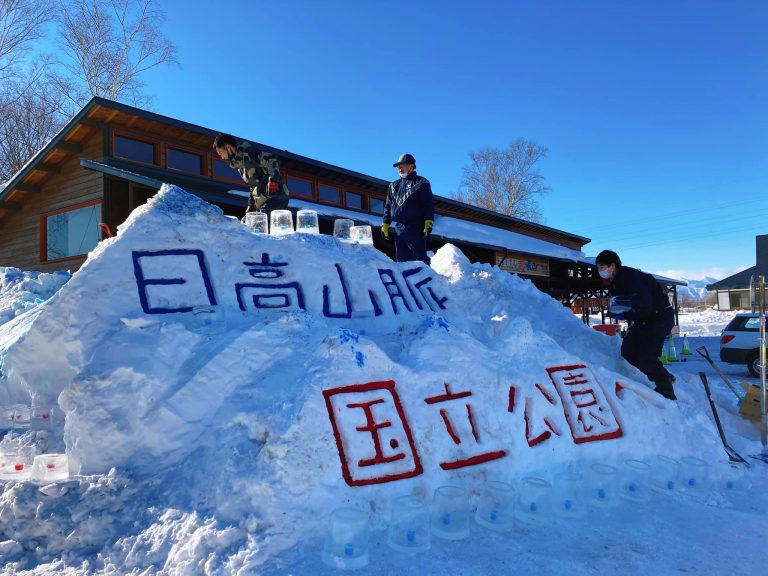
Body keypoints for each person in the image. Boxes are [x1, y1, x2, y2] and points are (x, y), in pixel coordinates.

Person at [596, 249, 677, 400]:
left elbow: (644, 305)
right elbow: (625, 302)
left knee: (647, 356)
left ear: (612, 266)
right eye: (598, 267)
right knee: (628, 351)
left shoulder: (630, 278)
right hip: (643, 319)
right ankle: (661, 374)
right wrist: (617, 311)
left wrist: (625, 314)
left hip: (658, 317)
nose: (600, 271)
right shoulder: (614, 281)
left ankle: (665, 388)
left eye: (602, 267)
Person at [212, 133, 289, 217]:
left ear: (227, 147)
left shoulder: (249, 152)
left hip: (275, 196)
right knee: (250, 222)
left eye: (220, 153)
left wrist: (273, 180)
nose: (222, 157)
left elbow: (271, 160)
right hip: (262, 199)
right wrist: (251, 204)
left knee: (262, 222)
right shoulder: (240, 165)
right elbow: (253, 185)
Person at [381, 153, 434, 264]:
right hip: (399, 227)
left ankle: (426, 280)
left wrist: (428, 220)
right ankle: (406, 281)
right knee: (402, 261)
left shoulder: (421, 182)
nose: (399, 168)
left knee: (419, 260)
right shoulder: (393, 186)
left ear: (411, 165)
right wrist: (386, 223)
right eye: (398, 166)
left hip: (416, 226)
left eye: (402, 165)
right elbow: (388, 206)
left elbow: (428, 203)